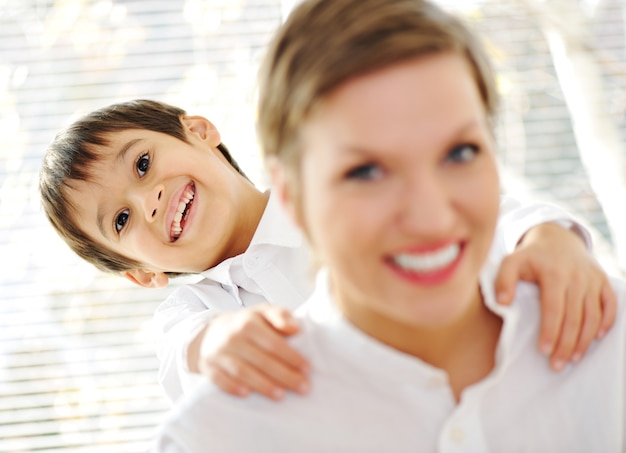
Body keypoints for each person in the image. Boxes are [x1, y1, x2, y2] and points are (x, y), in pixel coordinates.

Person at [150, 0, 626, 451]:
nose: (432, 216)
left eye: (460, 153)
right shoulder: (220, 435)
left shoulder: (609, 338)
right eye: (366, 172)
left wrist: (551, 233)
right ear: (292, 193)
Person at [39, 97, 613, 406]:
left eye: (143, 164)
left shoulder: (345, 188)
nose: (150, 199)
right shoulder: (196, 318)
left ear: (199, 130)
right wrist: (212, 345)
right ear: (141, 275)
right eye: (120, 219)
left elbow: (483, 217)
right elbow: (178, 356)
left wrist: (549, 239)